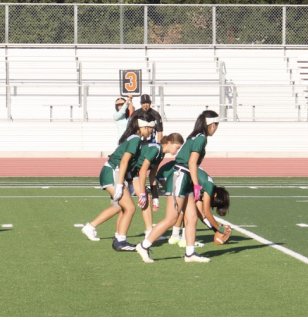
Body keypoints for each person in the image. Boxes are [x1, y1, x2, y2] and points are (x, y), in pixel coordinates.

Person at [137, 110, 221, 264]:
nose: (216, 128)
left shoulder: (196, 136)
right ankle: (144, 245)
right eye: (216, 125)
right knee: (171, 218)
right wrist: (197, 185)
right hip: (182, 176)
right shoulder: (201, 138)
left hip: (185, 177)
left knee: (192, 217)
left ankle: (190, 254)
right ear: (211, 124)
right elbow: (192, 163)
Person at [81, 112, 157, 251]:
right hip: (113, 173)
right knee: (130, 208)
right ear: (144, 126)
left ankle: (102, 231)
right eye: (151, 127)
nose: (152, 130)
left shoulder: (135, 139)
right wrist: (120, 185)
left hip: (115, 173)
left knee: (120, 207)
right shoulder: (135, 140)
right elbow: (123, 161)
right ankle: (120, 242)